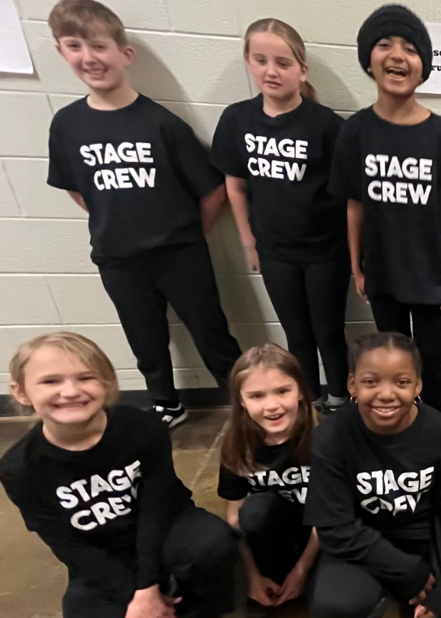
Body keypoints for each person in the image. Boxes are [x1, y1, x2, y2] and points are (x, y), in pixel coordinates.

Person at [44, 0, 241, 428]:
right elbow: (78, 190)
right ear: (61, 52)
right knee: (145, 338)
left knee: (211, 331)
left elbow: (212, 191)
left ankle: (242, 403)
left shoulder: (161, 124)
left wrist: (187, 233)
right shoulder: (67, 125)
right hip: (117, 256)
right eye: (75, 46)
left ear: (123, 54)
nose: (89, 58)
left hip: (180, 253)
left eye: (98, 46)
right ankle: (165, 403)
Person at [0, 333, 237, 618]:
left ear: (107, 382)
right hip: (103, 553)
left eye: (86, 378)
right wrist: (136, 597)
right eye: (51, 381)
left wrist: (148, 587)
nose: (71, 391)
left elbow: (158, 508)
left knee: (212, 542)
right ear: (21, 391)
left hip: (164, 533)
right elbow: (67, 544)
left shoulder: (143, 427)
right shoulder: (20, 468)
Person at [331, 4, 441, 420]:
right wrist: (357, 265)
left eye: (410, 48)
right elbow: (354, 205)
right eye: (385, 44)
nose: (397, 55)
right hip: (383, 271)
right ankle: (397, 425)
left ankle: (439, 430)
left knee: (432, 357)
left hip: (429, 274)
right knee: (391, 356)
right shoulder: (355, 132)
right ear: (368, 60)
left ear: (423, 66)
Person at [212, 19, 349, 413]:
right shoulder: (238, 120)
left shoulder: (327, 126)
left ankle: (338, 398)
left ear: (301, 70)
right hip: (274, 250)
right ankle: (308, 398)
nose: (271, 71)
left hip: (325, 250)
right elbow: (234, 186)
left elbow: (346, 197)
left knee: (328, 330)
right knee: (297, 333)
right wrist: (248, 241)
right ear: (249, 63)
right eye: (261, 60)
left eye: (283, 63)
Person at [304, 332, 441, 618]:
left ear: (417, 386)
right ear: (352, 384)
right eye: (370, 381)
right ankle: (382, 592)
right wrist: (409, 571)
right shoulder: (331, 436)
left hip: (426, 536)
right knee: (334, 608)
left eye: (401, 382)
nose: (387, 394)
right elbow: (334, 529)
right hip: (361, 540)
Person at [218, 344, 320, 610]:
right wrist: (252, 576)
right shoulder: (236, 444)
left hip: (322, 537)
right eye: (257, 396)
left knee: (330, 603)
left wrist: (301, 569)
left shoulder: (325, 437)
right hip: (275, 536)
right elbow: (234, 516)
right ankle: (269, 578)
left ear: (299, 390)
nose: (272, 406)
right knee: (255, 511)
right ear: (241, 400)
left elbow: (335, 512)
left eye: (283, 391)